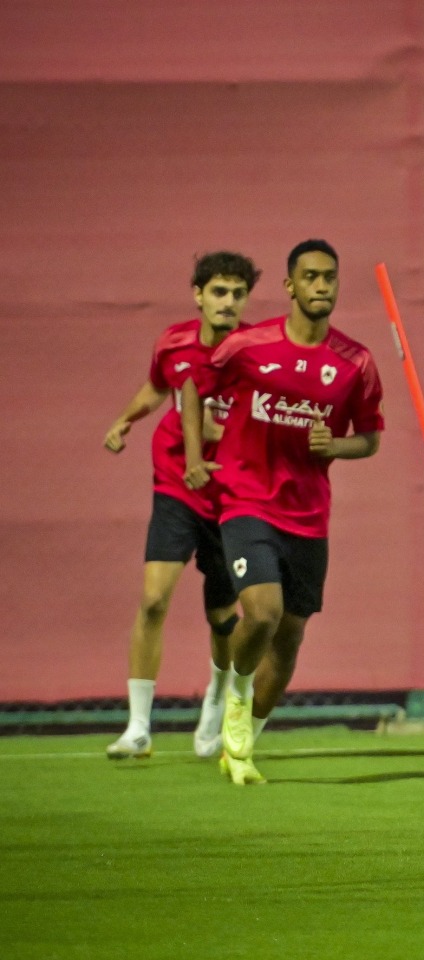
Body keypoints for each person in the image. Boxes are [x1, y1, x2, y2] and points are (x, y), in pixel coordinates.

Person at [181, 239, 384, 785]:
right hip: (246, 502)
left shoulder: (355, 362)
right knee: (263, 612)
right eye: (311, 277)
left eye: (330, 278)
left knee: (290, 636)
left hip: (308, 516)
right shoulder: (249, 345)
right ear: (291, 286)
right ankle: (237, 696)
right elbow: (194, 388)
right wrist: (198, 457)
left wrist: (334, 446)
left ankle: (242, 745)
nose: (322, 286)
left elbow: (369, 438)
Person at [103, 251, 260, 760]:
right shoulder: (173, 342)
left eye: (237, 293)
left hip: (231, 494)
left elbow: (267, 419)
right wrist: (126, 419)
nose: (228, 301)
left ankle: (215, 696)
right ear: (198, 295)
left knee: (222, 615)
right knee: (153, 599)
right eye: (219, 291)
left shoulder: (256, 352)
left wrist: (229, 434)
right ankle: (139, 726)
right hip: (175, 486)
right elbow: (157, 386)